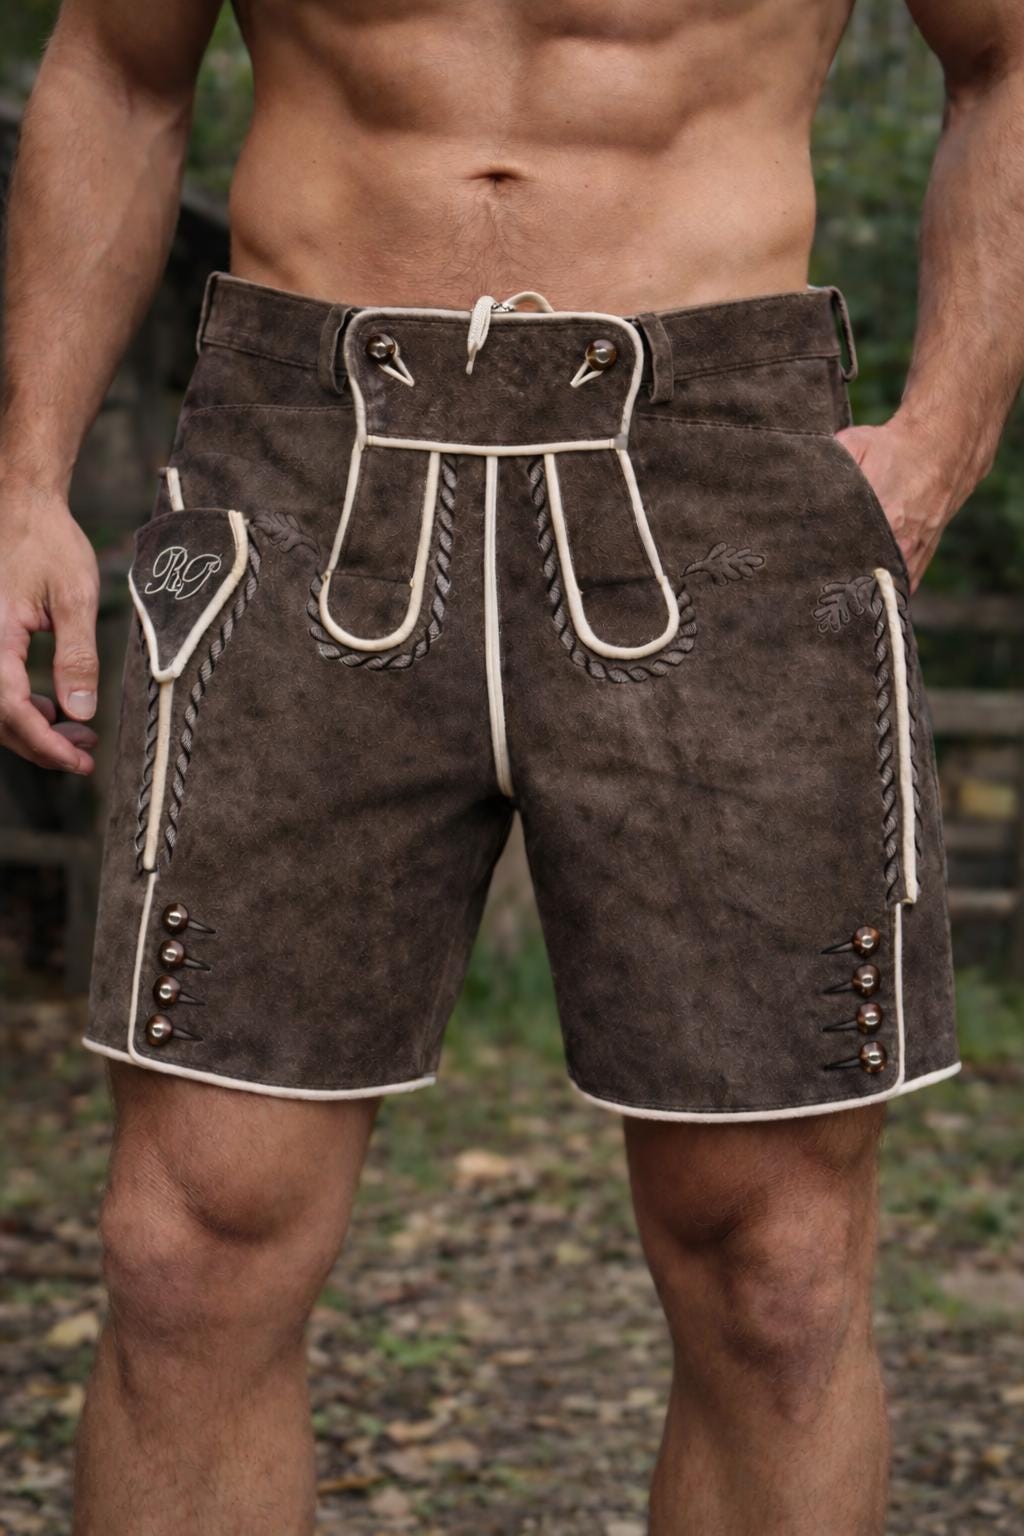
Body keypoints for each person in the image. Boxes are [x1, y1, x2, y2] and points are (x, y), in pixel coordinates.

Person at [1, 1, 1021, 1531]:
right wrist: (24, 479)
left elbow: (1006, 59)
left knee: (778, 1274)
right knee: (188, 1252)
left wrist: (943, 439)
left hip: (715, 462)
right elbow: (118, 68)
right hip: (297, 461)